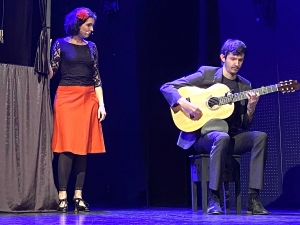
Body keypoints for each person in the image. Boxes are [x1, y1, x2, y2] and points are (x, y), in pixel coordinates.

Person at [160, 39, 268, 215]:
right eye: (233, 59)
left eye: (240, 60)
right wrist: (185, 105)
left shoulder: (244, 86)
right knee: (221, 137)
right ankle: (214, 198)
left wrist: (251, 107)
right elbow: (167, 87)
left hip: (229, 136)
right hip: (204, 137)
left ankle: (253, 199)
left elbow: (244, 125)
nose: (237, 64)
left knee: (260, 137)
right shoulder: (207, 75)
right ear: (223, 57)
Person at [49, 7, 106, 213]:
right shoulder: (60, 44)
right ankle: (62, 195)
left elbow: (96, 77)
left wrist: (101, 104)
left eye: (92, 25)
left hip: (87, 97)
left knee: (83, 147)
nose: (91, 29)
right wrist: (42, 58)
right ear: (77, 24)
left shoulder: (92, 47)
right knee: (65, 146)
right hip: (66, 96)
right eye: (88, 25)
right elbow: (51, 72)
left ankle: (78, 196)